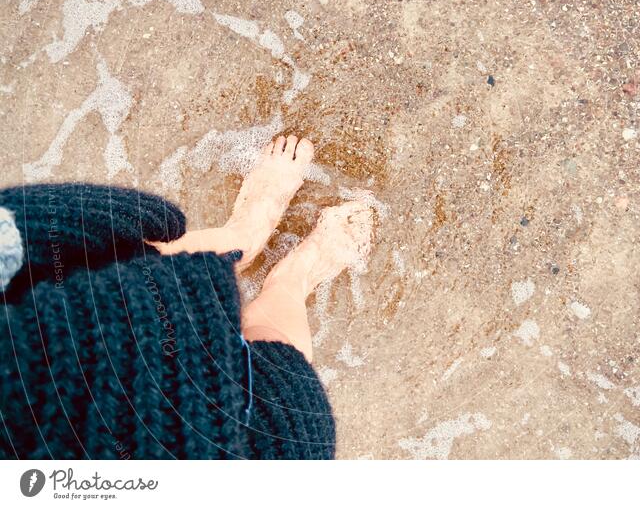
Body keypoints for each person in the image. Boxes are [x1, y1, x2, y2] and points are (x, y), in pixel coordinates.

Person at [0, 135, 373, 459]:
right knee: (279, 373)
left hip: (36, 333)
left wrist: (20, 230)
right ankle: (293, 278)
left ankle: (242, 236)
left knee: (127, 261)